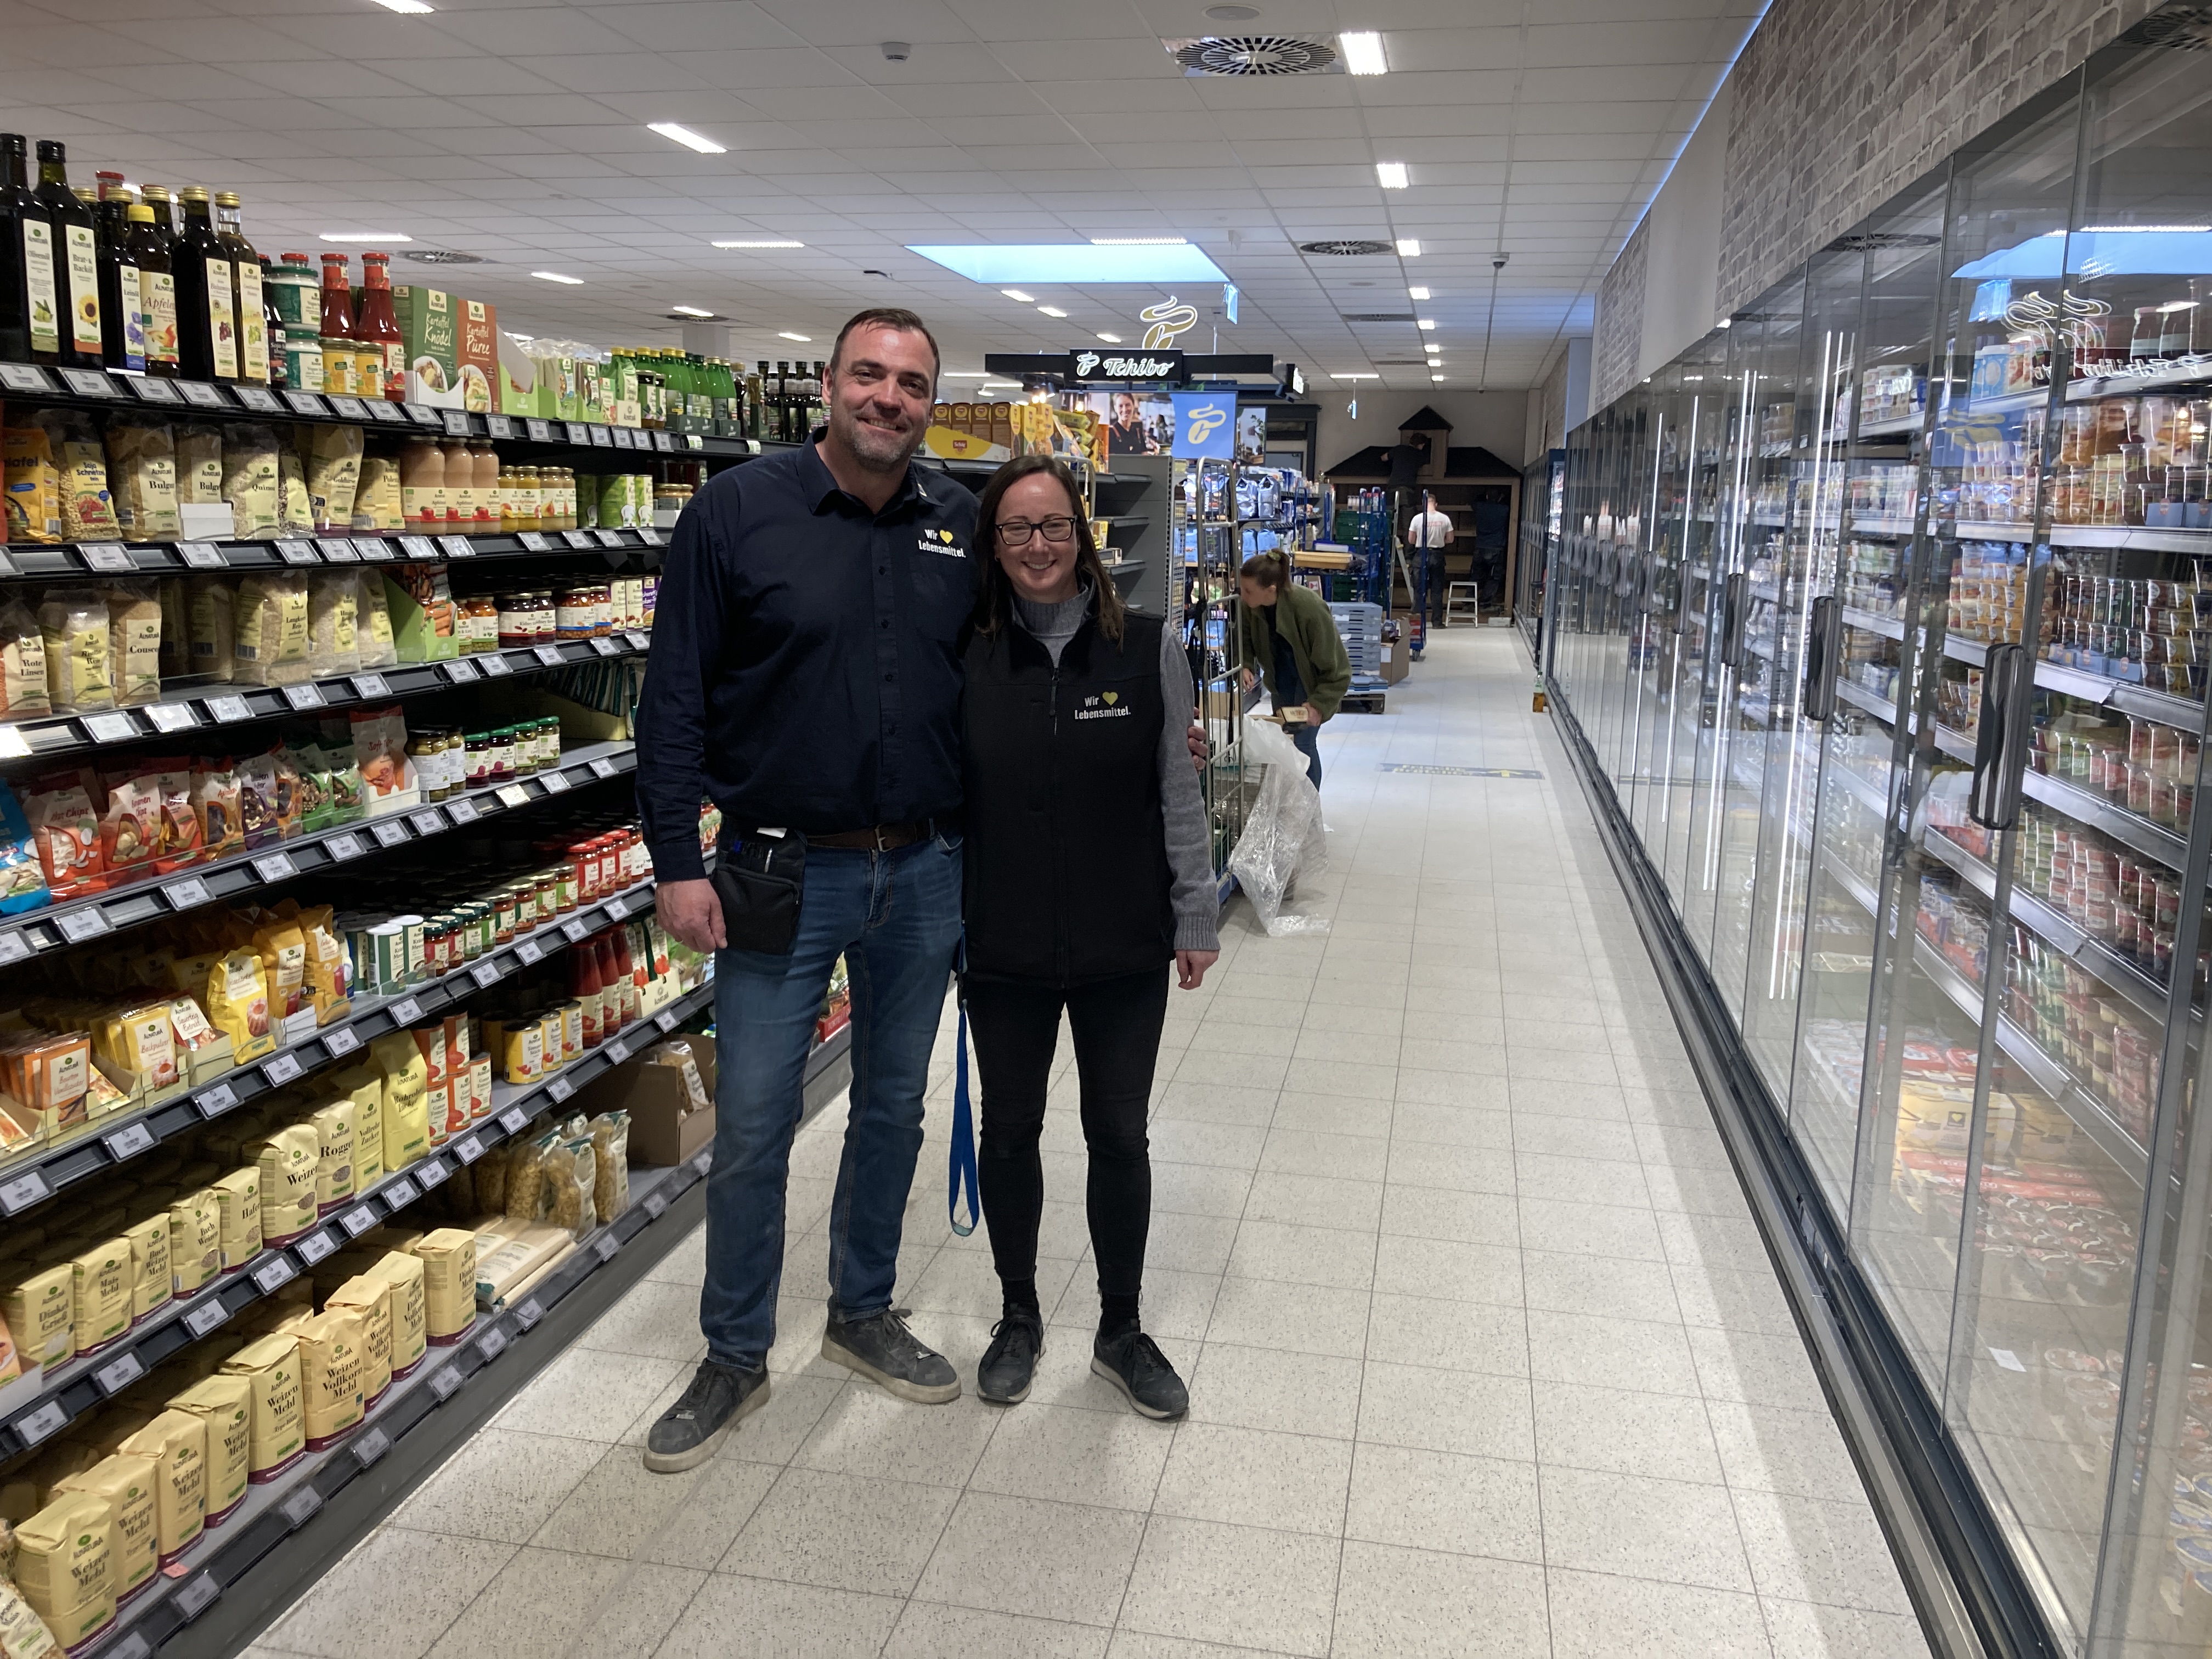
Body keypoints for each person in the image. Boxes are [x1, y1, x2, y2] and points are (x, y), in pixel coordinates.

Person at [632, 306, 979, 1471]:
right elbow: (673, 699)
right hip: (777, 868)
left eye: (912, 384)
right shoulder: (735, 511)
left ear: (931, 402)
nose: (889, 398)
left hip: (923, 868)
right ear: (829, 385)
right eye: (869, 375)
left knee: (894, 1105)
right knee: (753, 1124)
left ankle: (861, 1309)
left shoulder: (958, 522)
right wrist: (676, 861)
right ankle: (733, 1353)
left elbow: (995, 689)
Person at [960, 454, 1220, 1417]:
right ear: (993, 544)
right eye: (1017, 528)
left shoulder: (1146, 647)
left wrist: (1196, 910)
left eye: (1054, 525)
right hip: (1003, 942)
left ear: (1082, 535)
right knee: (1009, 1128)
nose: (1038, 545)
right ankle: (1018, 1313)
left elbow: (1178, 790)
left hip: (1124, 939)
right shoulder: (969, 655)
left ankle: (1120, 1325)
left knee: (1118, 1131)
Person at [1238, 554, 1352, 788]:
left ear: (1271, 589)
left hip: (1311, 682)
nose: (1243, 595)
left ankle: (1310, 806)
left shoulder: (1310, 609)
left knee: (1303, 745)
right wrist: (1246, 665)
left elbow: (1339, 671)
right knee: (1284, 742)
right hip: (1280, 679)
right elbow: (1243, 638)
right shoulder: (1250, 606)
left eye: (1248, 591)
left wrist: (1319, 705)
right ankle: (1290, 803)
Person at [1406, 489, 1455, 624]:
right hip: (1438, 555)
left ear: (1423, 503)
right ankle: (1437, 622)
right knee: (1437, 590)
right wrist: (1439, 541)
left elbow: (1411, 540)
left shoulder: (1417, 519)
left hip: (1421, 554)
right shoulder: (1445, 518)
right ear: (1436, 504)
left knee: (1419, 590)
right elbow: (1451, 539)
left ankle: (1417, 622)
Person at [1104, 391, 1153, 457]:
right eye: (1121, 406)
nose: (1125, 410)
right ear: (1115, 408)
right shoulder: (1110, 433)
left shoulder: (1138, 432)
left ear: (1133, 406)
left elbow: (1145, 457)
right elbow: (1110, 461)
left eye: (1128, 405)